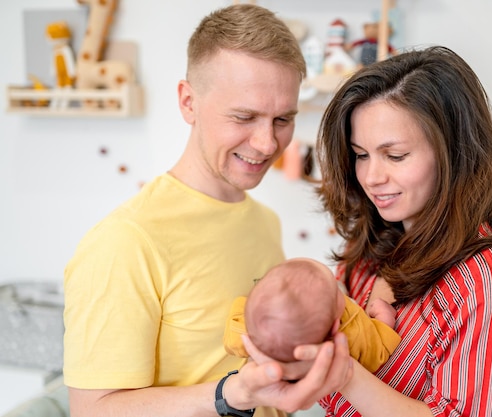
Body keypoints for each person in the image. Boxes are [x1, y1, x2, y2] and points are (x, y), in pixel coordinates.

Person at [62, 5, 353, 417]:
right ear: (188, 102)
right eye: (244, 116)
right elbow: (92, 411)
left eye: (282, 119)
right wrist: (230, 395)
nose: (268, 143)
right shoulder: (125, 242)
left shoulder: (263, 221)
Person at [311, 45, 492, 416]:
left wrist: (342, 373)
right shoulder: (369, 251)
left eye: (395, 155)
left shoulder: (487, 277)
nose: (372, 177)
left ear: (452, 152)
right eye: (361, 155)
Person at [223, 257, 400, 372]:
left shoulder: (249, 330)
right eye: (336, 292)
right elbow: (380, 351)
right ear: (335, 326)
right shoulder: (352, 336)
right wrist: (384, 316)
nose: (338, 284)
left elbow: (235, 326)